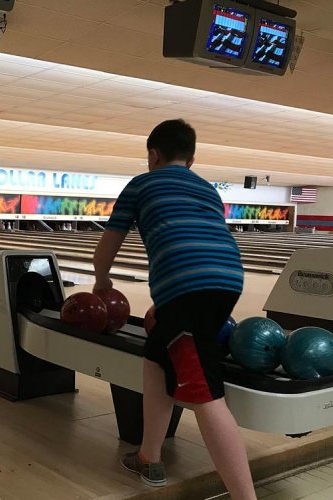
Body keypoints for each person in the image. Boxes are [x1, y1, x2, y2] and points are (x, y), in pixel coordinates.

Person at [92, 119, 255, 498]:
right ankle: (149, 455)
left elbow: (108, 246)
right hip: (227, 279)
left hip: (189, 290)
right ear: (192, 158)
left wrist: (101, 282)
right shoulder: (208, 190)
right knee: (156, 356)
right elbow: (197, 240)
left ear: (154, 154)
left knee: (204, 395)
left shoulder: (141, 183)